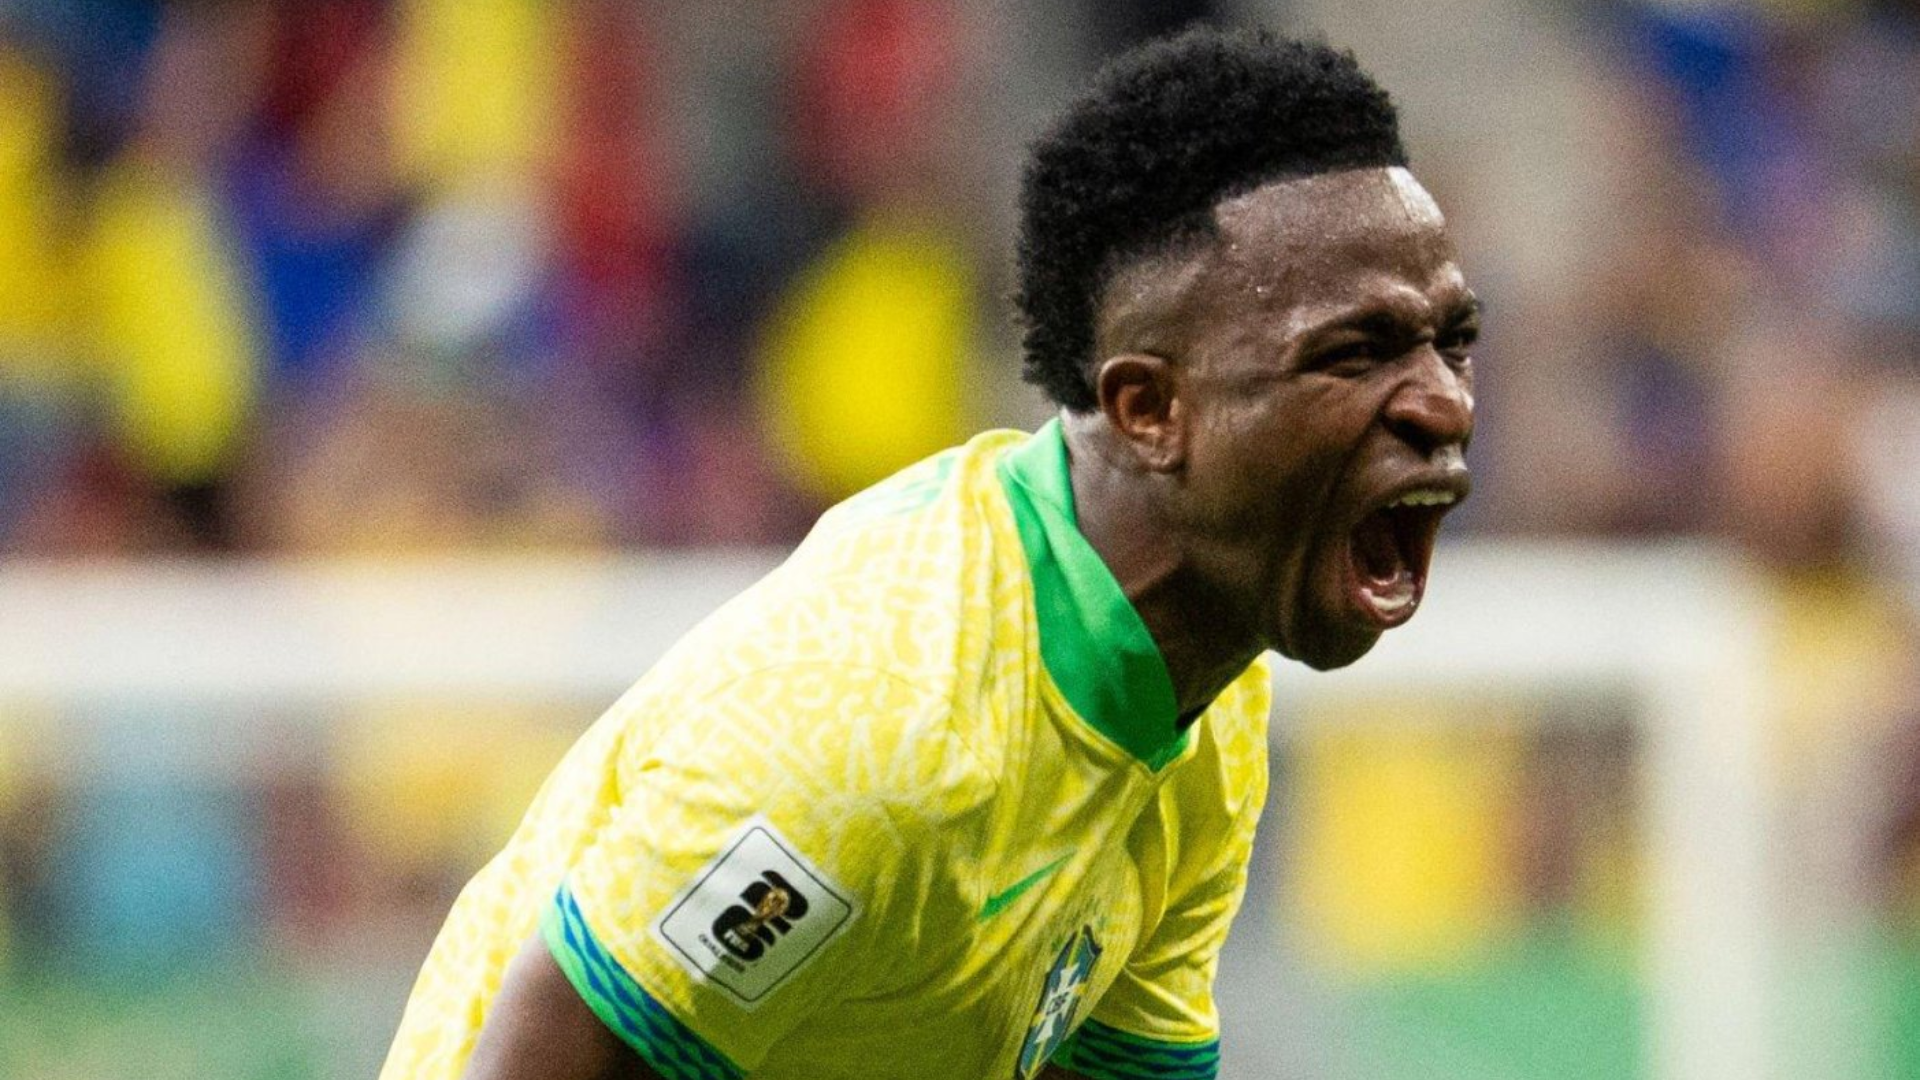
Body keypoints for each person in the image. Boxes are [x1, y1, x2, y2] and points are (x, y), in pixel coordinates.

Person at [381, 25, 1478, 1080]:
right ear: (1150, 410)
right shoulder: (883, 728)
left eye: (1451, 340)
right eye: (1357, 352)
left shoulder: (1203, 717)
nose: (1441, 400)